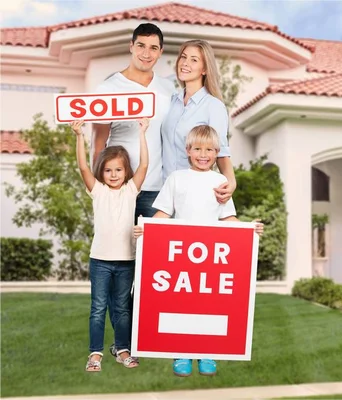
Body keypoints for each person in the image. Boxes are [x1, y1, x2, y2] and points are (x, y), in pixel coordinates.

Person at [133, 125, 263, 377]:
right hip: (182, 255)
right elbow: (163, 214)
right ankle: (181, 352)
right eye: (198, 149)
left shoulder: (220, 182)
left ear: (217, 152)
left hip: (211, 257)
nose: (204, 155)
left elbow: (228, 218)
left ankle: (207, 352)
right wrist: (146, 229)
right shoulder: (176, 178)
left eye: (210, 150)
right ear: (188, 150)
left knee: (209, 304)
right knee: (181, 302)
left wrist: (249, 230)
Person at [92, 23, 174, 359]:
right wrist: (102, 189)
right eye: (141, 46)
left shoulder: (167, 89)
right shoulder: (110, 86)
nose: (146, 53)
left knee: (152, 268)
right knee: (119, 266)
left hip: (156, 187)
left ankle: (141, 336)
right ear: (131, 46)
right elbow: (100, 140)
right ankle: (122, 343)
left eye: (153, 48)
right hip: (120, 190)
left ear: (160, 52)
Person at [72, 118, 149, 372]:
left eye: (118, 170)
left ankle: (122, 349)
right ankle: (95, 354)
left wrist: (142, 132)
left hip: (126, 261)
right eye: (108, 170)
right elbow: (83, 167)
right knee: (97, 309)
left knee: (122, 309)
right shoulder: (98, 191)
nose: (113, 175)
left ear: (126, 171)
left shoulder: (130, 191)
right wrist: (79, 135)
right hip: (101, 261)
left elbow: (145, 164)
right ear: (101, 172)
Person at [161, 39, 236, 204]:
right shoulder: (171, 102)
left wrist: (231, 182)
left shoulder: (213, 106)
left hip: (193, 192)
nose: (185, 63)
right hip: (163, 192)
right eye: (183, 57)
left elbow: (221, 151)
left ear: (204, 69)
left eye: (194, 60)